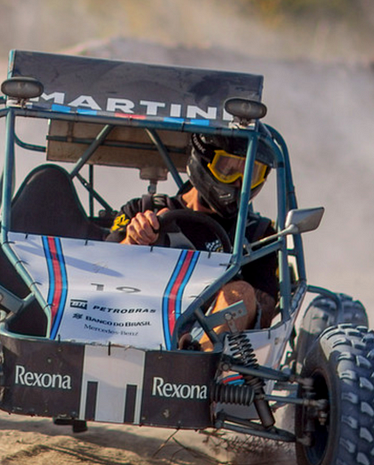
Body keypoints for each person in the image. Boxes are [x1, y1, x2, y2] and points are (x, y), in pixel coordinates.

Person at [107, 133, 278, 347]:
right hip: (133, 322)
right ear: (203, 162)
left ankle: (198, 365)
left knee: (240, 291)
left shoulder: (258, 233)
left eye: (251, 174)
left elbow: (264, 312)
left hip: (209, 338)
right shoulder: (142, 210)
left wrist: (216, 280)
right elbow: (99, 272)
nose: (238, 182)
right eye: (229, 170)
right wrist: (133, 242)